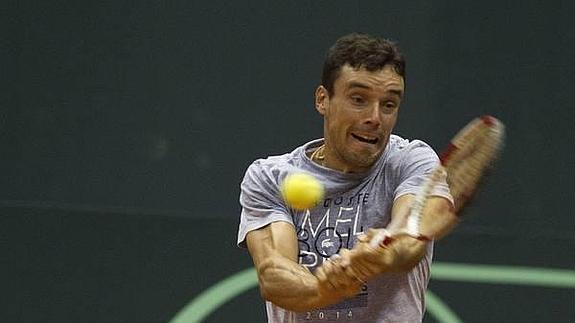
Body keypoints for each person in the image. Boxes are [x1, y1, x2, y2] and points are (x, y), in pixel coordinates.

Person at [237, 33, 457, 322]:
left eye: (388, 105)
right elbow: (274, 274)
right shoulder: (268, 177)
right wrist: (326, 288)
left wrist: (384, 250)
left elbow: (411, 239)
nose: (375, 117)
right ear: (322, 100)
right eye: (359, 99)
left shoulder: (411, 161)